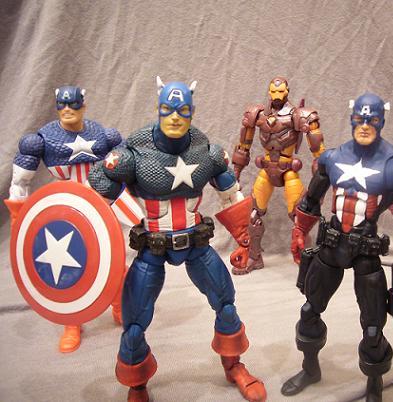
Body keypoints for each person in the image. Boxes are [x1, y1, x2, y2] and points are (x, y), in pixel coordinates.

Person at [88, 77, 266, 402]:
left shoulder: (206, 151)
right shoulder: (134, 153)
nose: (174, 118)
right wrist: (85, 239)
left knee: (226, 305)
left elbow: (230, 194)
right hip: (152, 248)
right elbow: (97, 202)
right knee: (134, 326)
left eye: (182, 111)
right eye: (168, 110)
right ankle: (137, 384)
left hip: (196, 245)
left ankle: (234, 366)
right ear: (158, 109)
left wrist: (244, 240)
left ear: (192, 112)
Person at [281, 93, 393, 401]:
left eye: (372, 120)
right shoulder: (333, 158)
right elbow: (311, 199)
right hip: (332, 245)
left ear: (381, 121)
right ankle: (310, 369)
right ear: (351, 119)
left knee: (372, 329)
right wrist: (299, 231)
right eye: (360, 119)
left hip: (366, 251)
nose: (365, 125)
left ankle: (374, 383)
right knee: (309, 311)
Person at [5, 85, 123, 353]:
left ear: (84, 105)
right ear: (57, 106)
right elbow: (21, 180)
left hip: (100, 207)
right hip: (65, 212)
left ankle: (119, 305)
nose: (68, 109)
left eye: (73, 104)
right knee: (70, 270)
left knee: (114, 260)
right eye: (62, 104)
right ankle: (73, 322)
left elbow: (124, 164)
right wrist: (18, 215)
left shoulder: (103, 135)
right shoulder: (42, 139)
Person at [231, 77, 325, 274]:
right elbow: (244, 144)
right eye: (273, 92)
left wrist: (321, 181)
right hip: (266, 170)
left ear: (287, 92)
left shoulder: (299, 115)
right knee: (253, 214)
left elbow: (318, 151)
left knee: (299, 217)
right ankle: (255, 257)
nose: (276, 96)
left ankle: (306, 260)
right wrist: (236, 172)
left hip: (289, 170)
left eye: (280, 92)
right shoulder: (257, 115)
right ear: (269, 92)